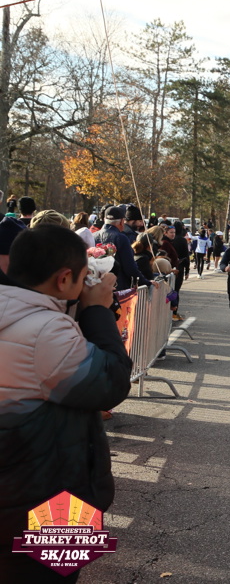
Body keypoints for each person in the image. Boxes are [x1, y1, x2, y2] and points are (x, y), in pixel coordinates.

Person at [0, 225, 129, 582]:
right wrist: (97, 310)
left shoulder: (17, 313)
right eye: (84, 277)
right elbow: (112, 382)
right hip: (48, 496)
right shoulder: (47, 332)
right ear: (64, 278)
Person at [93, 205, 152, 290]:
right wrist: (146, 283)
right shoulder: (121, 238)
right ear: (121, 222)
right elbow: (130, 267)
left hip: (95, 286)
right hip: (117, 287)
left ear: (105, 220)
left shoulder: (93, 236)